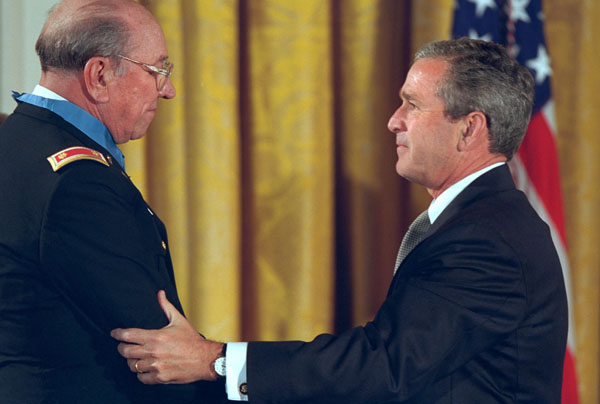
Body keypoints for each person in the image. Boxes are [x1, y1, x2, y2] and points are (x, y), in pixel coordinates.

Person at [111, 38, 568, 403]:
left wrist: (215, 361)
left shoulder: (485, 238)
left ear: (470, 128)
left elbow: (385, 366)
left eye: (412, 104)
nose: (393, 121)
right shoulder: (481, 222)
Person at [0, 0, 226, 403]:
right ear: (99, 74)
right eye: (158, 70)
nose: (168, 90)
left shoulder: (16, 142)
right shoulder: (78, 183)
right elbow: (160, 356)